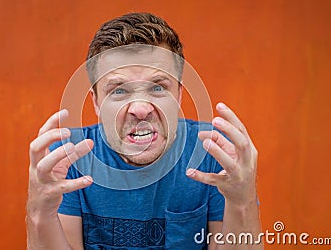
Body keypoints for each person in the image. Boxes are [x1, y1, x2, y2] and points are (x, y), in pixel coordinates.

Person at [27, 13, 263, 250]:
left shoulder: (213, 152)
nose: (140, 109)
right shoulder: (68, 159)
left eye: (158, 87)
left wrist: (242, 201)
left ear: (179, 95)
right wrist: (41, 213)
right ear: (96, 102)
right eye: (118, 91)